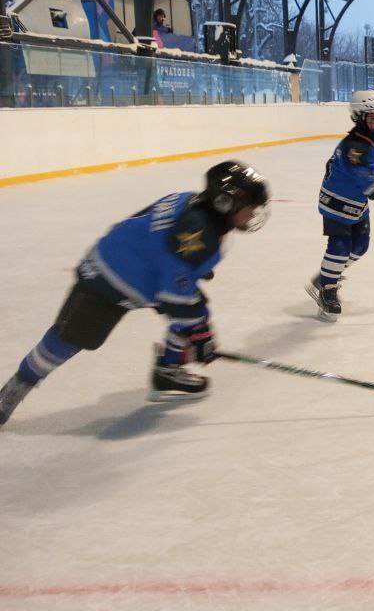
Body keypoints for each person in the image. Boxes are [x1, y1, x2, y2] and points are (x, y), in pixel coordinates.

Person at [0, 162, 270, 425]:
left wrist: (184, 271)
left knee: (195, 309)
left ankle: (168, 370)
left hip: (140, 269)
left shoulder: (190, 200)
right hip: (110, 279)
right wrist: (200, 337)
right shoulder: (202, 233)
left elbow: (146, 224)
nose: (254, 214)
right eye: (250, 208)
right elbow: (173, 297)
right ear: (225, 203)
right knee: (70, 338)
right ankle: (17, 386)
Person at [307, 91, 374, 320]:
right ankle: (327, 289)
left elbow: (367, 173)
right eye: (373, 118)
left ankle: (326, 276)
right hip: (337, 202)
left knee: (361, 247)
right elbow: (366, 179)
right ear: (359, 117)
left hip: (357, 201)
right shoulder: (353, 146)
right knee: (340, 246)